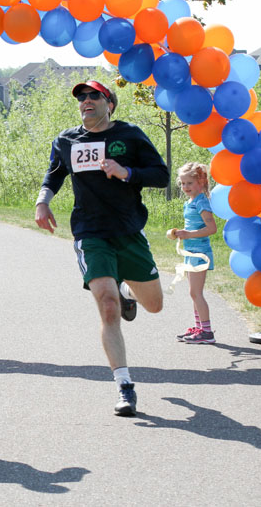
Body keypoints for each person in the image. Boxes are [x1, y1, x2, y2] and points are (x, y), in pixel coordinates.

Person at [34, 79, 168, 416]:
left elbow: (161, 175)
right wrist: (42, 202)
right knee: (107, 306)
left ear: (110, 103)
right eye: (81, 97)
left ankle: (127, 292)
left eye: (94, 95)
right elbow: (54, 174)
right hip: (90, 232)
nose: (86, 100)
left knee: (154, 306)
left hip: (128, 231)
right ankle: (124, 386)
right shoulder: (67, 140)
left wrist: (127, 172)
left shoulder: (130, 135)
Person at [171, 162, 217, 344]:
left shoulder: (201, 202)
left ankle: (207, 332)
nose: (185, 187)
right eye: (183, 183)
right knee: (193, 293)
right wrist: (181, 233)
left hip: (200, 253)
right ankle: (199, 328)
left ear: (201, 182)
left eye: (189, 183)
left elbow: (211, 228)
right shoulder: (189, 203)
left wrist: (189, 234)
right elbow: (192, 226)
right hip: (190, 252)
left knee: (196, 293)